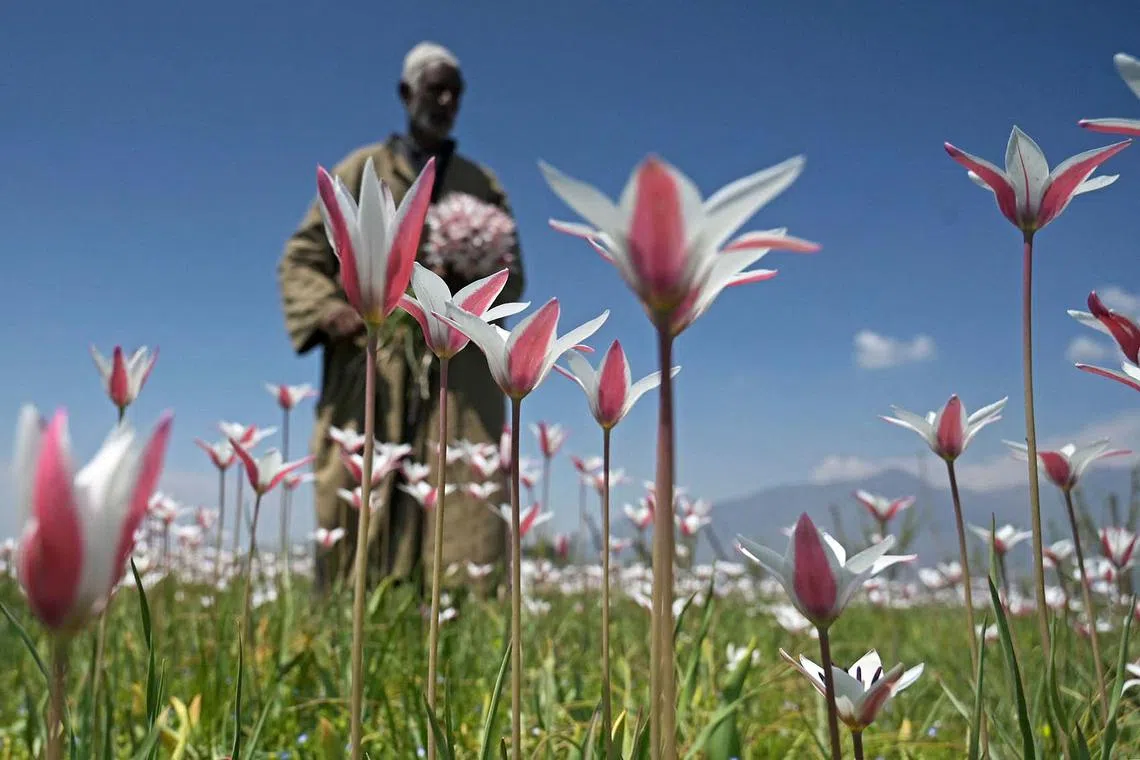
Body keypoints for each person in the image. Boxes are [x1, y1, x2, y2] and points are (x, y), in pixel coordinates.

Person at [277, 42, 524, 591]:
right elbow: (302, 259)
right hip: (376, 358)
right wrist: (331, 312)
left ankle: (450, 616)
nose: (445, 100)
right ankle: (350, 608)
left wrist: (469, 294)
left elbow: (513, 276)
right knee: (360, 487)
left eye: (455, 92)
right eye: (435, 88)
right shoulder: (361, 170)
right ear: (405, 94)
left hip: (456, 369)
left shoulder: (482, 186)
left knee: (456, 492)